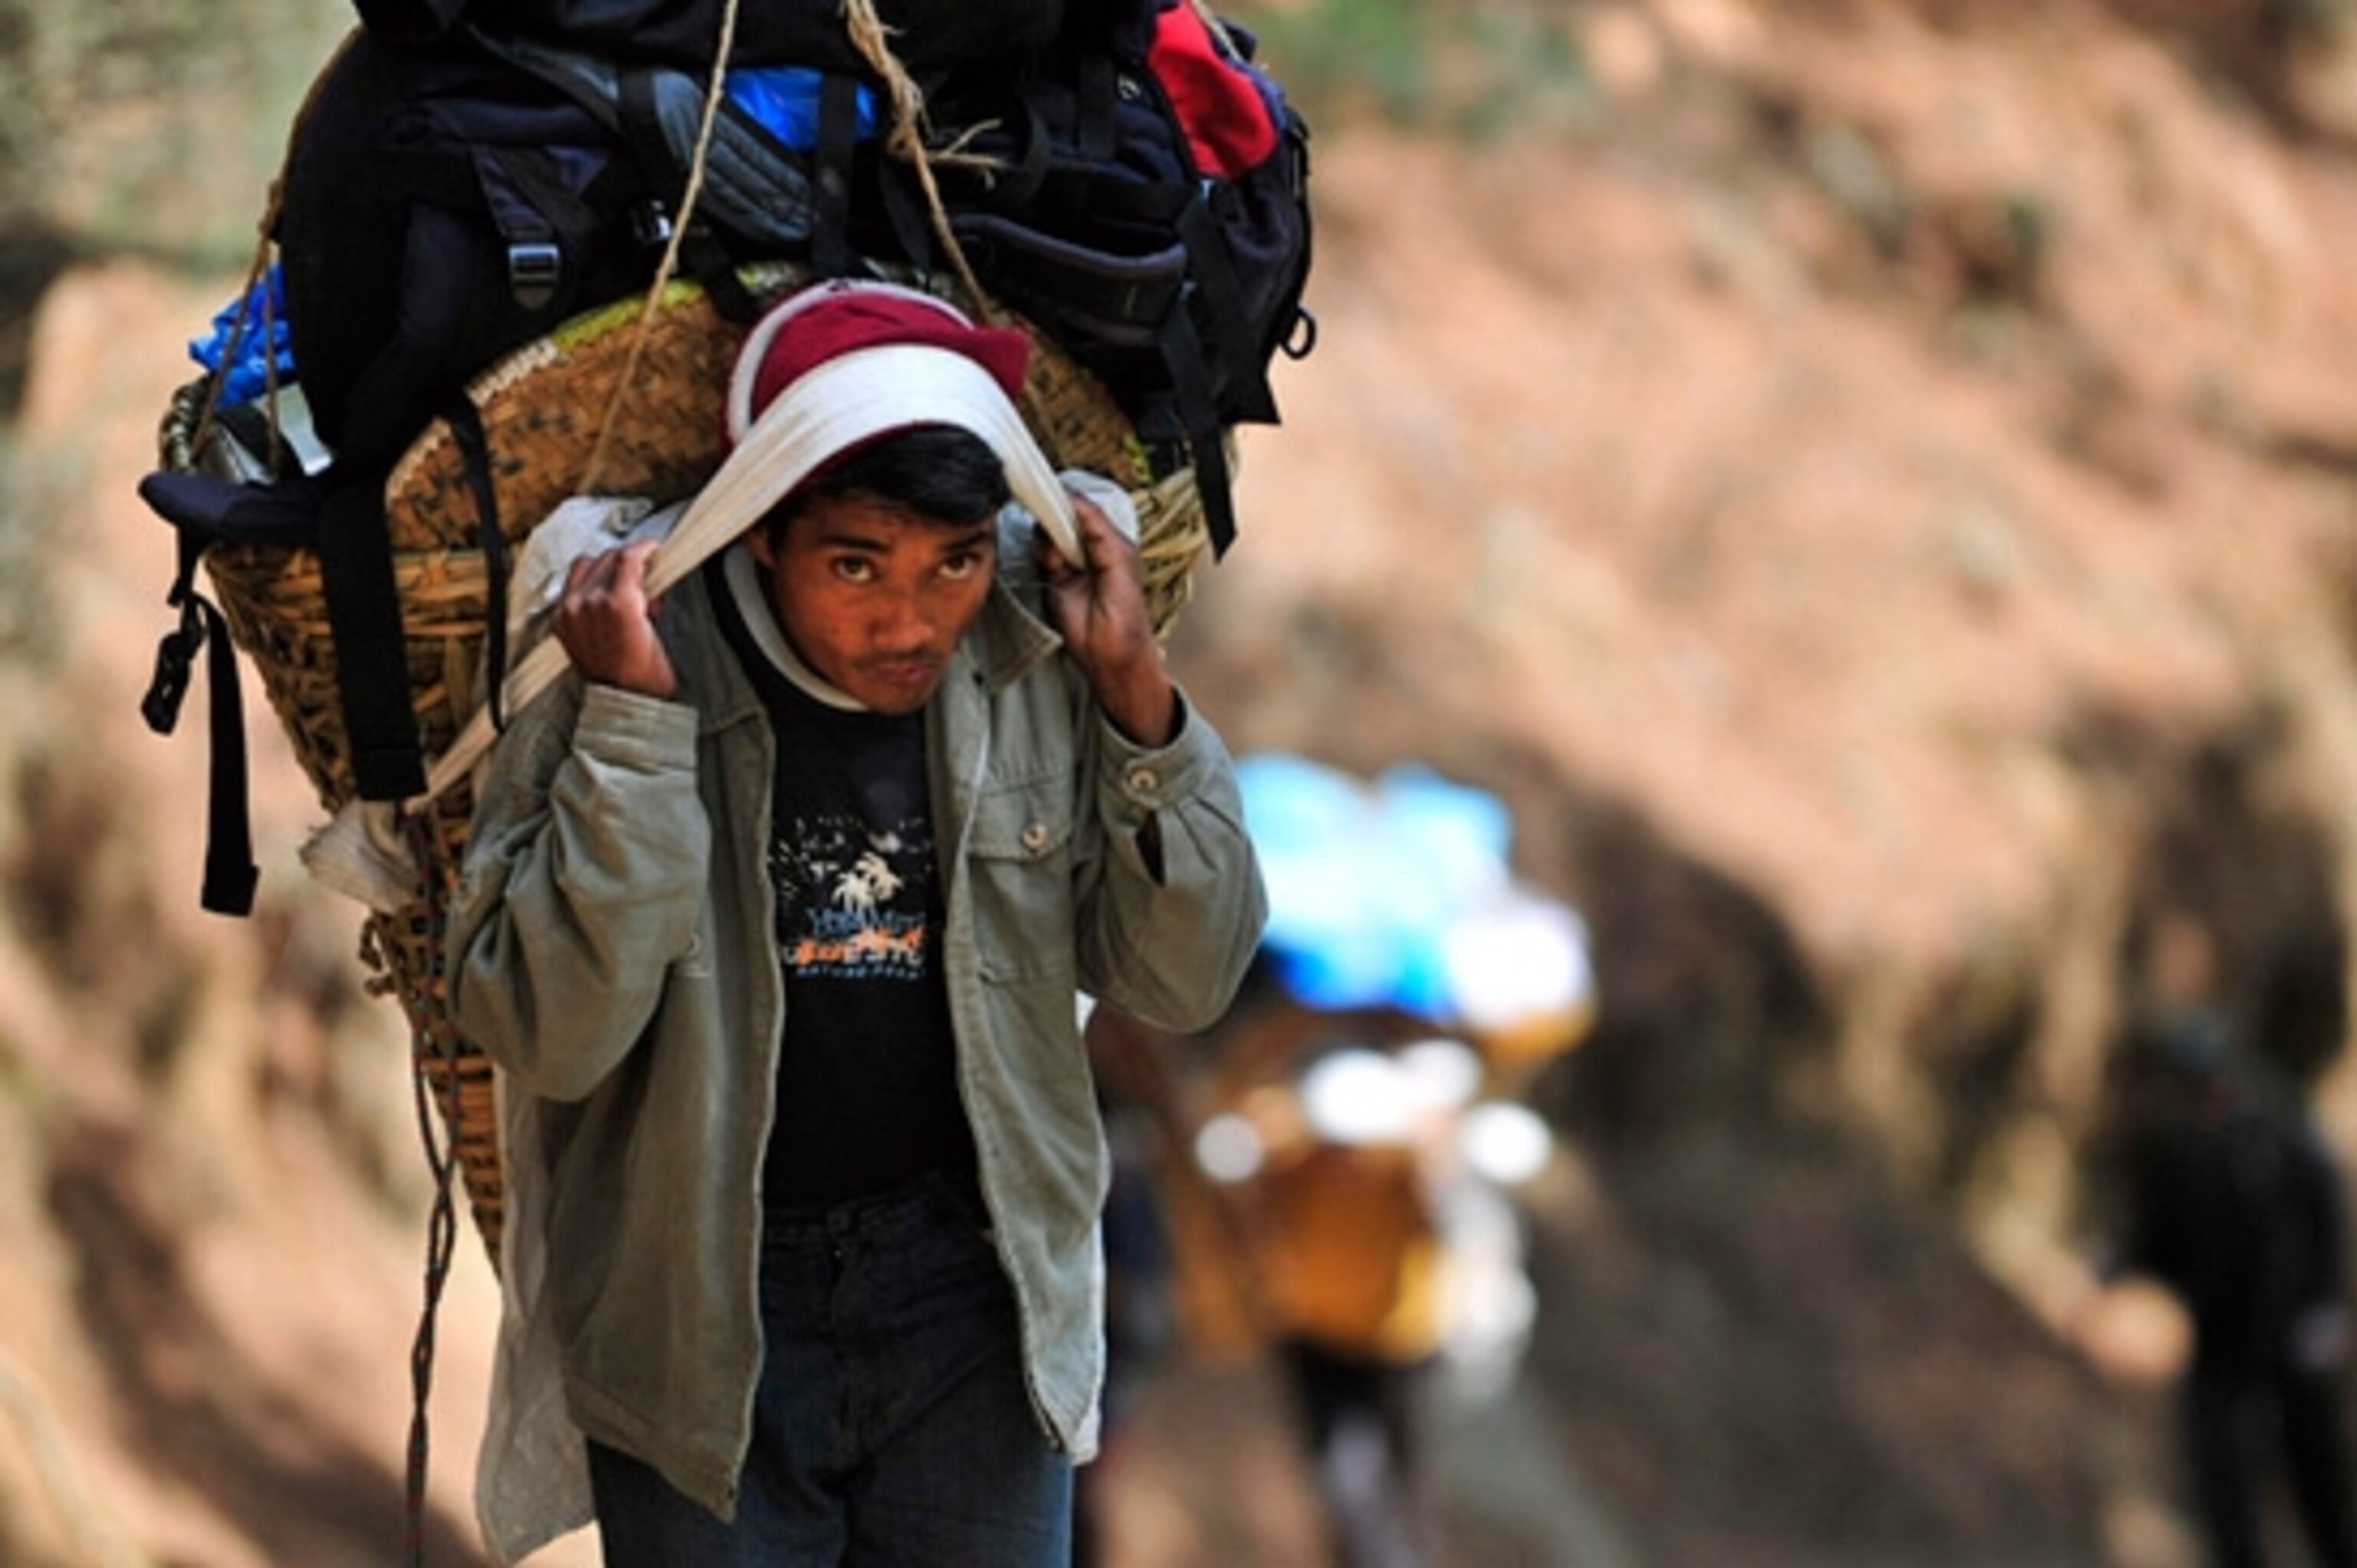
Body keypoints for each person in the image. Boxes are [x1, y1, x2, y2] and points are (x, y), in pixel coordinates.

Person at [444, 279, 1267, 1566]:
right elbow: (549, 1030)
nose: (908, 621)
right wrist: (634, 736)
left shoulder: (1040, 658)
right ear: (762, 531)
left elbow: (1186, 974)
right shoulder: (625, 664)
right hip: (702, 1304)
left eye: (950, 561)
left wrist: (1136, 698)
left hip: (975, 1302)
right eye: (854, 564)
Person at [2111, 1010, 2357, 1568]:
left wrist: (2325, 1308)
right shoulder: (2176, 1154)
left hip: (2293, 1336)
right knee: (2222, 1483)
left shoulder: (2278, 1140)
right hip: (2222, 1341)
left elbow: (2323, 1218)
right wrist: (2116, 1268)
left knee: (2317, 1479)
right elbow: (2158, 1240)